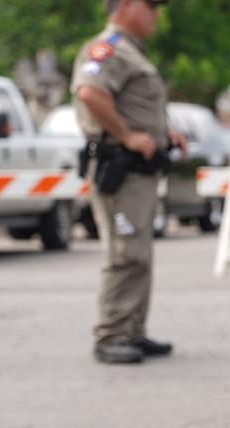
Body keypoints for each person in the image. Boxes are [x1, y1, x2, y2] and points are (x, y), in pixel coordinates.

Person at [72, 0, 178, 365]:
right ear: (127, 5)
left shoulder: (131, 52)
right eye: (150, 6)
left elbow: (134, 103)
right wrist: (128, 135)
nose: (156, 14)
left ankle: (131, 330)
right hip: (121, 170)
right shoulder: (108, 48)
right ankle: (112, 335)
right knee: (125, 253)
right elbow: (89, 92)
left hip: (139, 174)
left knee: (139, 254)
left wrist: (166, 133)